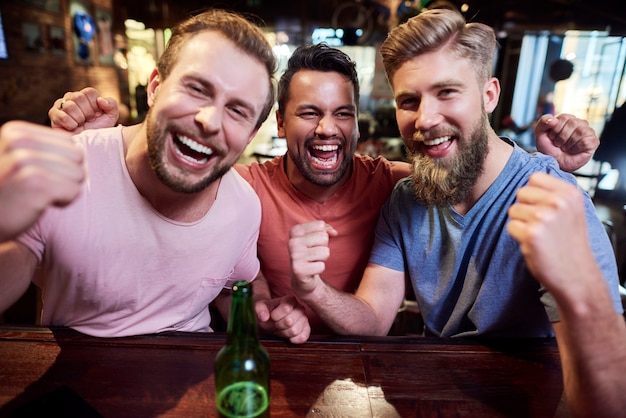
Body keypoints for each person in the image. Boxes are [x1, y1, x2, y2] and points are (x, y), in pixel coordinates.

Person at [49, 43, 601, 336]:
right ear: (280, 123)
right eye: (308, 113)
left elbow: (463, 169)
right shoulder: (240, 188)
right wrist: (106, 150)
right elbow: (171, 187)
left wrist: (548, 168)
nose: (326, 129)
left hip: (366, 368)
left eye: (342, 114)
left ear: (358, 122)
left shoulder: (392, 184)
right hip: (265, 362)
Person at [287, 8, 623, 414]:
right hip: (439, 394)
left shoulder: (553, 198)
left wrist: (578, 286)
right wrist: (314, 290)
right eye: (409, 100)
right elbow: (375, 317)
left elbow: (609, 398)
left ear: (489, 95)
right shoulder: (406, 199)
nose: (425, 119)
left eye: (447, 92)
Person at [0, 9, 309, 341]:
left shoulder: (244, 205)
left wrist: (265, 316)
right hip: (81, 375)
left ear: (250, 135)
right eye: (197, 89)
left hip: (195, 375)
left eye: (236, 110)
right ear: (155, 88)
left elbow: (237, 286)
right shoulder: (74, 166)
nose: (210, 120)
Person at [508, 172, 626, 417]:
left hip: (542, 384)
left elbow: (612, 407)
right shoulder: (408, 195)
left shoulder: (559, 193)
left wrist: (581, 282)